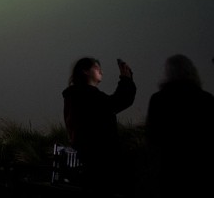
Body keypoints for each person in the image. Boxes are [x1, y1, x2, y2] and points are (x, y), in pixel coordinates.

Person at [62, 57, 135, 195]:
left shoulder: (74, 96)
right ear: (85, 71)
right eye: (96, 67)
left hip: (88, 160)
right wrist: (126, 80)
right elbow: (116, 102)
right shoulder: (86, 96)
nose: (101, 71)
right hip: (100, 163)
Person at [146, 54, 214, 197]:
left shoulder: (158, 100)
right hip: (201, 168)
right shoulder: (206, 99)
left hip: (169, 168)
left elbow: (152, 138)